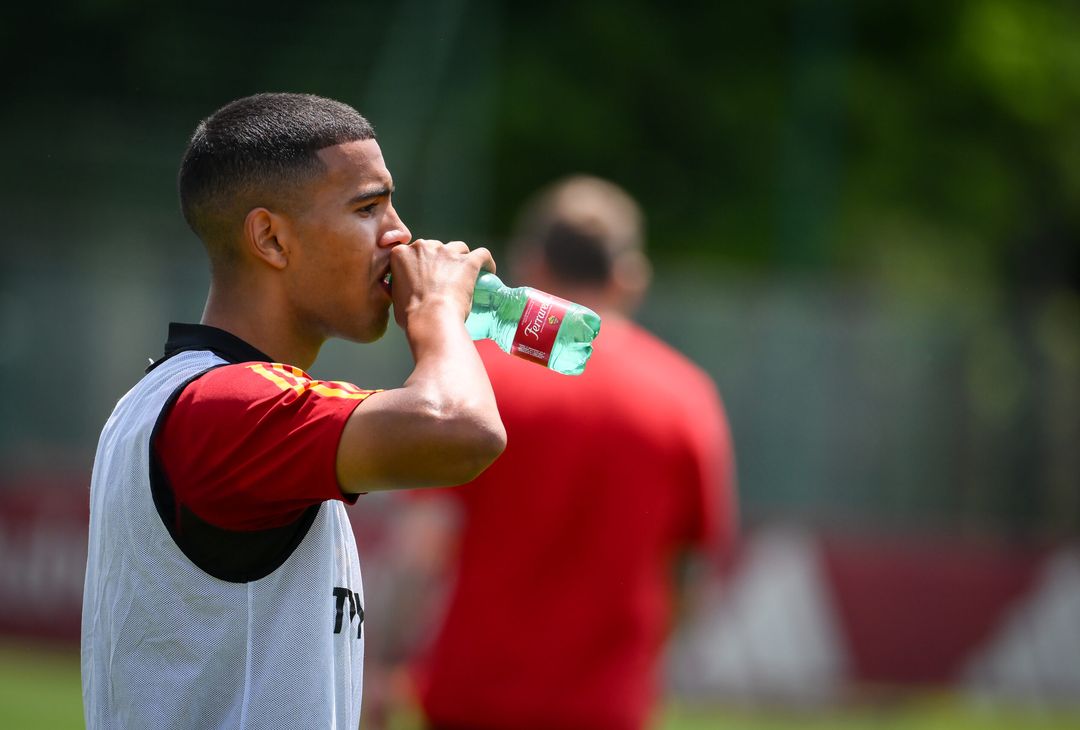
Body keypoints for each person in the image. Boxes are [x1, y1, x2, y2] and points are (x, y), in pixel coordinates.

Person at [79, 92, 506, 729]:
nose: (400, 235)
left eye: (391, 203)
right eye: (367, 208)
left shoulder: (193, 395)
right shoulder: (222, 407)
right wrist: (436, 313)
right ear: (271, 239)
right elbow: (461, 430)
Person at [403, 175, 738, 730]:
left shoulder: (474, 380)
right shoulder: (686, 396)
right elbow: (688, 576)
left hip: (471, 698)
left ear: (532, 265)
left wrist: (385, 663)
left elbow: (422, 550)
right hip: (607, 707)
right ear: (631, 277)